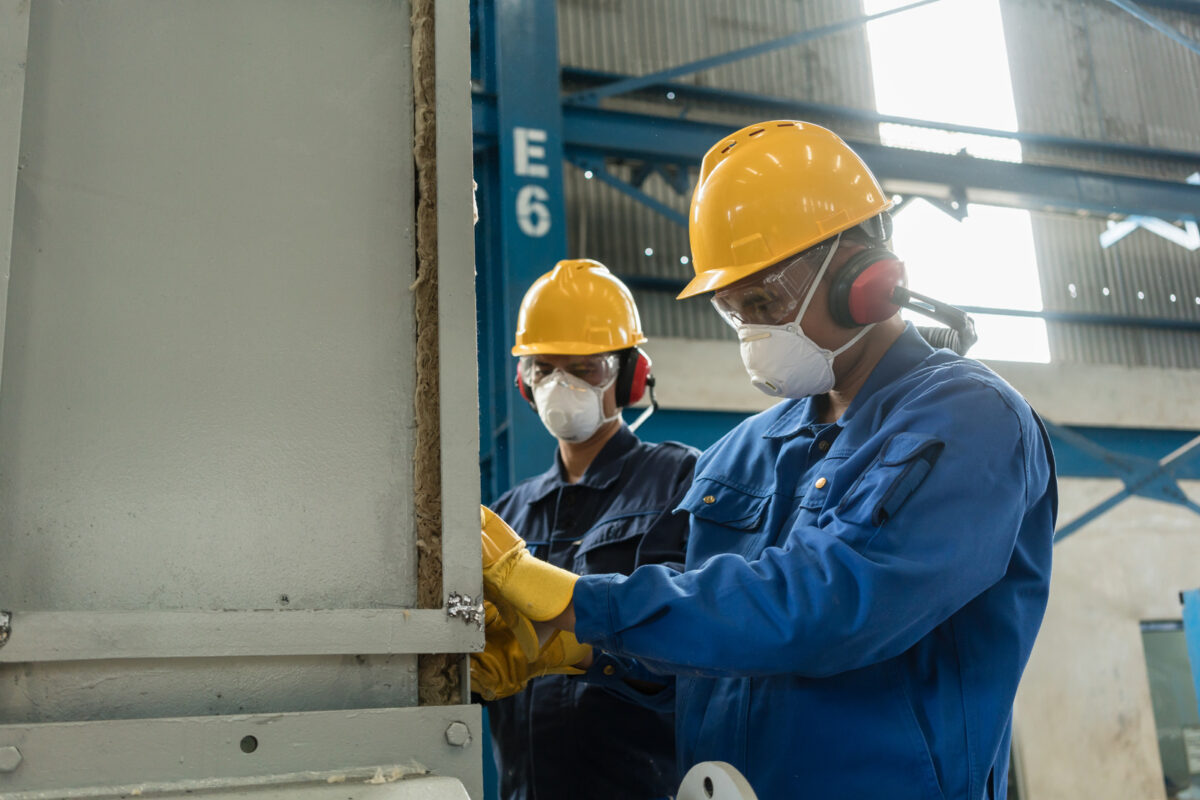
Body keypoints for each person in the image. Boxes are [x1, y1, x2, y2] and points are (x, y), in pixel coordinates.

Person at [479, 121, 1057, 800]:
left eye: (765, 301)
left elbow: (832, 604)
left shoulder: (969, 420)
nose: (755, 333)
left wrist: (585, 604)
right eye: (734, 310)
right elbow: (715, 649)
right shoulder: (739, 454)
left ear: (862, 277)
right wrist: (579, 652)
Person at [472, 259, 698, 800]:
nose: (560, 384)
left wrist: (585, 651)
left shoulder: (681, 481)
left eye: (585, 368)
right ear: (524, 383)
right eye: (544, 368)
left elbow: (700, 645)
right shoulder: (505, 513)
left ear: (630, 375)